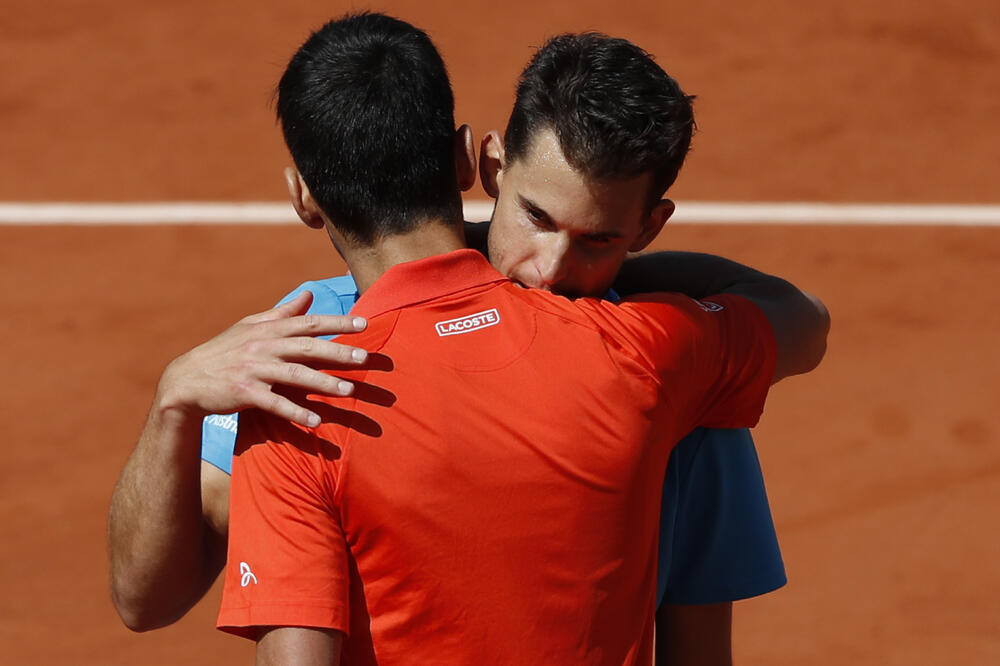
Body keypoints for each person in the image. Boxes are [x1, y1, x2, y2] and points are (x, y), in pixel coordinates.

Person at [107, 19, 799, 666]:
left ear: (304, 197)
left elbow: (700, 643)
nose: (552, 269)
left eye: (600, 240)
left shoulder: (304, 383)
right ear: (479, 165)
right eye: (536, 217)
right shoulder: (294, 348)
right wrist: (177, 401)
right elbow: (146, 596)